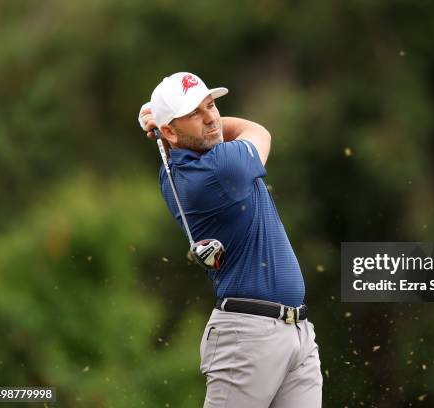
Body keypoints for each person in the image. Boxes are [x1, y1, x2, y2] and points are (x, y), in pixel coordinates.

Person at [138, 72, 322, 408]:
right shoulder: (220, 169)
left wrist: (172, 127)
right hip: (248, 338)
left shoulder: (176, 169)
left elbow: (201, 138)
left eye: (211, 105)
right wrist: (165, 124)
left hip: (297, 332)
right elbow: (257, 131)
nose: (211, 117)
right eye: (194, 113)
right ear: (168, 131)